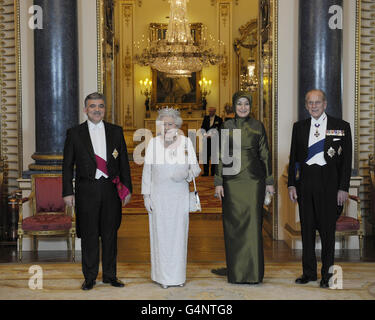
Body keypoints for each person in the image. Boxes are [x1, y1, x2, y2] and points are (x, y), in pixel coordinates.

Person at [62, 92, 132, 291]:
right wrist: (68, 192)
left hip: (111, 189)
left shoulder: (116, 131)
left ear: (104, 109)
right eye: (92, 106)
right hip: (86, 190)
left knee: (110, 234)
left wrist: (127, 189)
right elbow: (67, 166)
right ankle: (90, 277)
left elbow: (124, 163)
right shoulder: (75, 133)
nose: (97, 109)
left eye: (100, 106)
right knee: (90, 234)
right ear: (86, 109)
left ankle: (110, 275)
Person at [288, 89, 352, 288]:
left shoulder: (341, 126)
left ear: (325, 104)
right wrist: (292, 183)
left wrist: (343, 188)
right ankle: (309, 272)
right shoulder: (299, 127)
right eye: (310, 102)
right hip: (306, 183)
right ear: (306, 105)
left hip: (329, 184)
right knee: (307, 230)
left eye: (317, 102)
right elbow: (294, 159)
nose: (314, 106)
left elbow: (346, 161)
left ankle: (327, 275)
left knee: (327, 233)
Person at [213, 91, 274, 284]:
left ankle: (253, 272)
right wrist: (218, 182)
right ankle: (236, 271)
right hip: (231, 182)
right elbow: (221, 154)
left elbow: (265, 154)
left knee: (253, 226)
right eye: (239, 104)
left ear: (250, 106)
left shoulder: (258, 126)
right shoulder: (226, 126)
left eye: (246, 104)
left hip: (254, 181)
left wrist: (269, 182)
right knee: (233, 227)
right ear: (234, 105)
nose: (242, 107)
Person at [142, 107, 201, 289]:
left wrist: (185, 174)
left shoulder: (185, 142)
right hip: (159, 195)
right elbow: (147, 171)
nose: (167, 127)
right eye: (163, 124)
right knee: (160, 235)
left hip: (178, 196)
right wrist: (146, 196)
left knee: (178, 236)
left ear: (177, 125)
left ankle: (177, 277)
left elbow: (196, 169)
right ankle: (162, 277)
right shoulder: (153, 143)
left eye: (170, 124)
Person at [200, 107, 223, 176]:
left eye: (212, 111)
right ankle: (206, 172)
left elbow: (220, 129)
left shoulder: (219, 119)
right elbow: (202, 128)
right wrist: (205, 134)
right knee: (206, 157)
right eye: (209, 111)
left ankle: (213, 172)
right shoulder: (206, 118)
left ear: (215, 111)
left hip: (215, 141)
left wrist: (213, 135)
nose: (210, 113)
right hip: (206, 140)